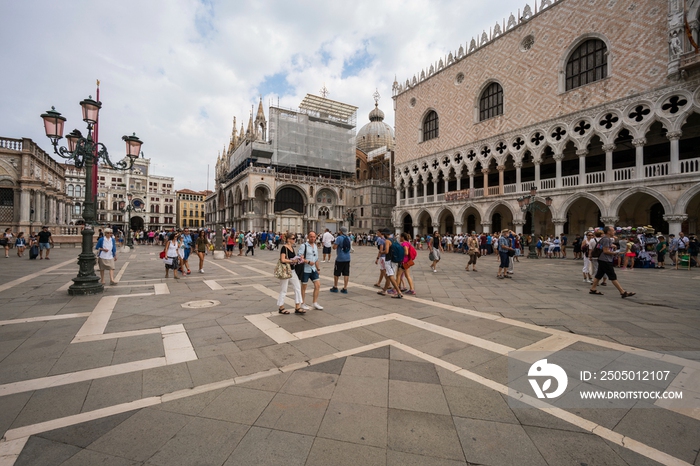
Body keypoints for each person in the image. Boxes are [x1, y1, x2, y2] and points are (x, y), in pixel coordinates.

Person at [589, 226, 635, 298]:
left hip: (602, 259)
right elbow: (605, 251)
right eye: (613, 230)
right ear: (608, 232)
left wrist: (612, 246)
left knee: (599, 275)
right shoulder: (606, 239)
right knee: (612, 276)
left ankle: (593, 289)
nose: (614, 232)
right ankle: (622, 292)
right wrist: (616, 253)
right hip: (605, 260)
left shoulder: (605, 239)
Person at [277, 233, 304, 314]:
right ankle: (281, 307)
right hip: (285, 270)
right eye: (293, 238)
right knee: (284, 289)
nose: (294, 240)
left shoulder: (292, 247)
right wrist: (292, 261)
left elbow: (292, 258)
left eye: (294, 238)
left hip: (292, 270)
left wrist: (299, 259)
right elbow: (283, 259)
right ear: (288, 239)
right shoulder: (284, 248)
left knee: (297, 287)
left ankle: (297, 306)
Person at [299, 231, 323, 310]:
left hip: (313, 269)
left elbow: (316, 259)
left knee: (317, 285)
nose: (313, 238)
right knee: (304, 287)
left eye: (314, 237)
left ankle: (315, 302)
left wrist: (318, 268)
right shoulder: (303, 246)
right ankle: (302, 303)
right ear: (308, 237)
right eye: (311, 236)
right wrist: (308, 262)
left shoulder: (315, 246)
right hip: (305, 269)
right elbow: (300, 257)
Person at [377, 229, 404, 298]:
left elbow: (386, 251)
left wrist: (381, 252)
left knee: (390, 276)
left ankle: (399, 292)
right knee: (388, 275)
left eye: (383, 234)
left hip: (389, 260)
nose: (382, 235)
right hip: (395, 260)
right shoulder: (394, 239)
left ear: (385, 234)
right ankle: (384, 290)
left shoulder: (387, 241)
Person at [330, 226, 352, 294]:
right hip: (347, 257)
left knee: (336, 273)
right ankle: (345, 288)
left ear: (341, 231)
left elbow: (334, 247)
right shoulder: (349, 238)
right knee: (346, 273)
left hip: (340, 258)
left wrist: (334, 245)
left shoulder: (339, 238)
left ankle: (335, 287)